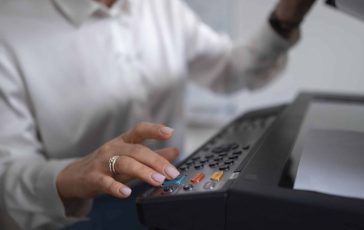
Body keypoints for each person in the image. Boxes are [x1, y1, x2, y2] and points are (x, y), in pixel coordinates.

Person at [0, 0, 315, 229]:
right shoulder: (8, 29)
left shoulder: (161, 6)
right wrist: (76, 174)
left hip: (177, 184)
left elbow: (231, 70)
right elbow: (8, 174)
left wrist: (285, 17)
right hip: (81, 213)